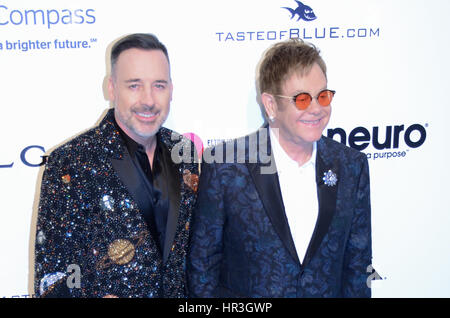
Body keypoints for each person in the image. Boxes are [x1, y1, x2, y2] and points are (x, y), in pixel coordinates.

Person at [187, 38, 372, 297]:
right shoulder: (226, 167)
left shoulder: (351, 166)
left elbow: (358, 266)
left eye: (323, 96)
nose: (318, 109)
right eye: (303, 99)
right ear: (271, 105)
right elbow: (202, 270)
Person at [34, 33, 199, 298]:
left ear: (171, 89)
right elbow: (51, 279)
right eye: (134, 85)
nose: (148, 99)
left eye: (159, 85)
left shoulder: (185, 153)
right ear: (111, 88)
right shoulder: (69, 162)